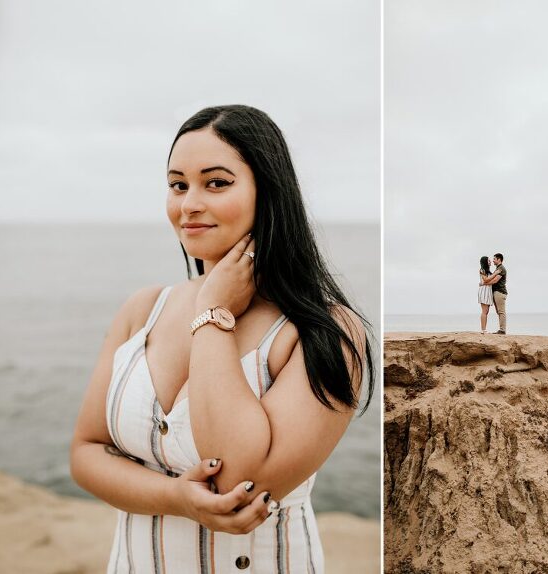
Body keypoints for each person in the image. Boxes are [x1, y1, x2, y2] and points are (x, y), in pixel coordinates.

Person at [69, 105, 375, 573]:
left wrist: (213, 314)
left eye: (216, 183)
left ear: (268, 192)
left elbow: (239, 482)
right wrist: (176, 497)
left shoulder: (322, 331)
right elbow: (86, 453)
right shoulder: (143, 310)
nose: (189, 203)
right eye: (177, 184)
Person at [481, 253, 507, 334]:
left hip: (500, 292)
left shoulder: (501, 268)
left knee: (501, 311)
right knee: (498, 311)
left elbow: (495, 280)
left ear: (499, 259)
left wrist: (484, 283)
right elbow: (489, 278)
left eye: (494, 259)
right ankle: (501, 329)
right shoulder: (497, 269)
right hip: (496, 292)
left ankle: (502, 330)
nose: (493, 260)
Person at [478, 256, 494, 334]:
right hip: (484, 291)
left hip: (487, 291)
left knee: (486, 311)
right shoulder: (482, 270)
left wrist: (484, 283)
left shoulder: (488, 272)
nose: (490, 262)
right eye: (489, 261)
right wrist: (496, 274)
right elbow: (486, 279)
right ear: (485, 262)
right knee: (484, 311)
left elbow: (487, 281)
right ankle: (483, 329)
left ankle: (484, 329)